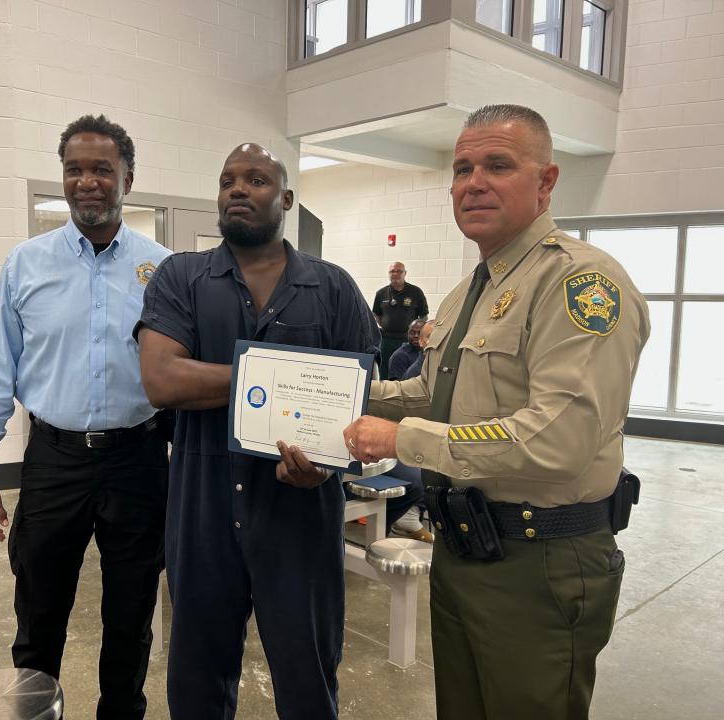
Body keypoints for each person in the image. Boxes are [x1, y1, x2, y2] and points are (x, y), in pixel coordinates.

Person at [343, 104, 649, 720]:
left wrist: (401, 439)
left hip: (541, 561)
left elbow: (556, 440)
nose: (473, 181)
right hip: (465, 546)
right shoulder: (471, 289)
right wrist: (334, 388)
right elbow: (435, 394)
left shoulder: (579, 283)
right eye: (461, 169)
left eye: (497, 165)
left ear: (546, 182)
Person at [135, 143, 380, 720]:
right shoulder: (182, 277)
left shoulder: (334, 288)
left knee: (308, 680)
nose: (238, 189)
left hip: (301, 514)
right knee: (197, 681)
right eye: (227, 181)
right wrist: (283, 380)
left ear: (287, 199)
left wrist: (325, 462)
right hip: (202, 512)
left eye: (256, 180)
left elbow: (359, 400)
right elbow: (162, 379)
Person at [0, 114, 171, 720]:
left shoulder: (163, 270)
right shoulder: (25, 264)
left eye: (102, 169)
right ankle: (34, 709)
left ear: (127, 179)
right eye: (74, 169)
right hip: (53, 461)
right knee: (39, 610)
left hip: (137, 458)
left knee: (131, 614)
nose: (87, 182)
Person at [372, 261, 428, 378]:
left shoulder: (416, 292)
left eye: (399, 271)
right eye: (392, 271)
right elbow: (377, 315)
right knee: (385, 372)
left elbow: (423, 317)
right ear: (388, 274)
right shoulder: (381, 293)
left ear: (405, 273)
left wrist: (416, 333)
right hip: (386, 340)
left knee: (407, 373)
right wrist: (387, 325)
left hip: (408, 341)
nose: (395, 274)